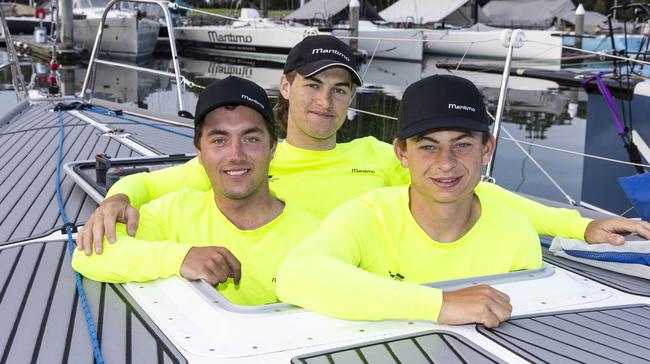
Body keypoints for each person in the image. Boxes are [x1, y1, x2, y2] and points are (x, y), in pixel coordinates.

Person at [76, 35, 650, 256]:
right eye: (313, 86)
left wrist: (578, 226)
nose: (325, 102)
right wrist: (115, 200)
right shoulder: (247, 162)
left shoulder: (378, 157)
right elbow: (151, 182)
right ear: (287, 86)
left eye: (341, 91)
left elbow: (476, 194)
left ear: (352, 99)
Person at [275, 75, 542, 328]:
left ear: (486, 149)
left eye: (462, 145)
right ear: (401, 153)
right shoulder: (367, 217)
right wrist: (440, 305)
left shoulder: (517, 235)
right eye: (428, 146)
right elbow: (297, 275)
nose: (446, 163)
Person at [72, 76, 319, 306]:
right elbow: (88, 256)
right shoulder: (172, 213)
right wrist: (180, 258)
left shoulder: (314, 237)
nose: (235, 155)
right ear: (199, 153)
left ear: (273, 148)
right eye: (219, 140)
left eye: (251, 139)